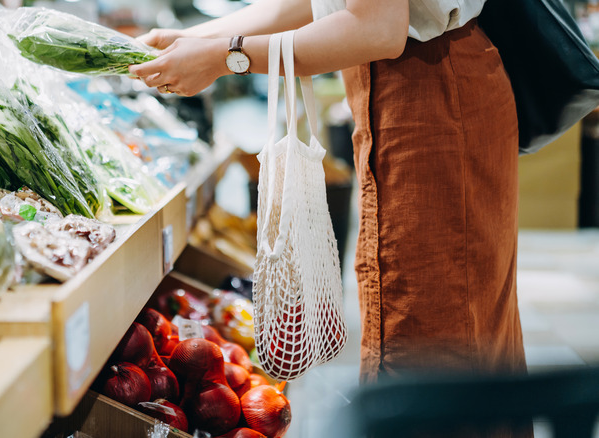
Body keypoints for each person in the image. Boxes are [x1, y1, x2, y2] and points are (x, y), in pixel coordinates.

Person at [130, 1, 529, 432]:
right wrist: (199, 40)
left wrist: (226, 55)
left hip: (428, 96)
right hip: (426, 88)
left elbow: (376, 29)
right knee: (461, 335)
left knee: (435, 344)